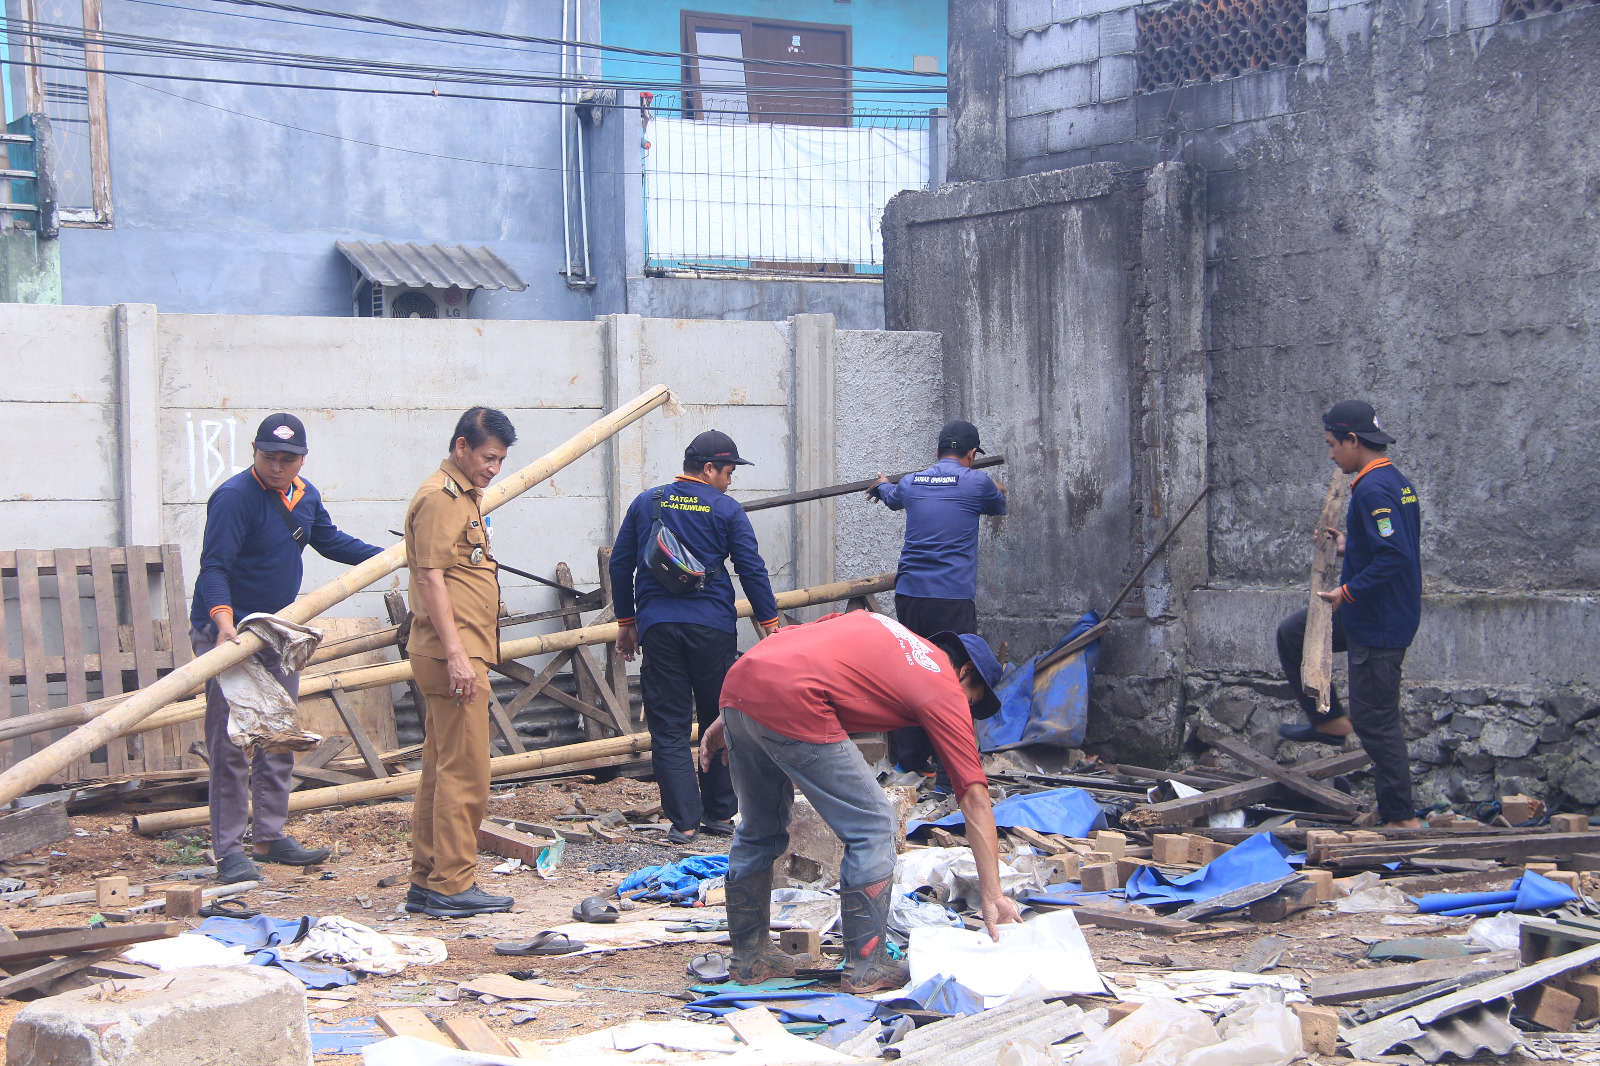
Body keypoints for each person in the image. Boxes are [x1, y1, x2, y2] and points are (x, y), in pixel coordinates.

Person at [699, 610, 1023, 991]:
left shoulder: (884, 627)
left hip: (740, 684)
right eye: (972, 699)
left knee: (759, 826)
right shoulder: (943, 683)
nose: (965, 709)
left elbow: (792, 644)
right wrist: (994, 893)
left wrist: (737, 714)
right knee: (873, 825)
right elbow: (974, 797)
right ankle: (867, 965)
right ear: (965, 671)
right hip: (793, 698)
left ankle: (750, 957)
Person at [190, 413, 384, 885]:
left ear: (301, 459)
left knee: (279, 734)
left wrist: (389, 556)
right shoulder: (235, 498)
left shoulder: (304, 494)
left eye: (287, 459)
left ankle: (270, 835)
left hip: (278, 631)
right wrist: (222, 623)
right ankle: (229, 850)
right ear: (255, 454)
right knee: (234, 741)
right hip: (231, 632)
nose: (277, 467)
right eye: (268, 457)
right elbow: (213, 567)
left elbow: (330, 540)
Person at [609, 430, 781, 846]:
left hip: (659, 628)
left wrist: (626, 622)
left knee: (667, 727)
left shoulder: (647, 503)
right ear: (708, 469)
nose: (730, 480)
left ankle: (684, 823)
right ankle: (721, 814)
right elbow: (751, 569)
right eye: (728, 471)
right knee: (719, 719)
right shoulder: (726, 509)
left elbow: (620, 565)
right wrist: (771, 627)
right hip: (713, 628)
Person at [1275, 400, 1422, 829]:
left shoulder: (1374, 489)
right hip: (1371, 613)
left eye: (1332, 444)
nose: (1330, 454)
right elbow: (1388, 543)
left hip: (1377, 621)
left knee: (1376, 721)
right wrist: (1349, 546)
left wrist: (1347, 590)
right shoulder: (1392, 481)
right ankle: (1330, 722)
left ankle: (1401, 818)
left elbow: (1395, 555)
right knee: (1293, 633)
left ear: (1353, 440)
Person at [403, 407, 519, 918]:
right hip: (454, 654)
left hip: (461, 650)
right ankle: (452, 883)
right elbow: (430, 579)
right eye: (488, 457)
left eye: (500, 460)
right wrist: (457, 656)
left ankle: (429, 878)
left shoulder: (463, 496)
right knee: (466, 770)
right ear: (461, 448)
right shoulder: (440, 498)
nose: (493, 468)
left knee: (439, 766)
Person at [867, 419, 1007, 773]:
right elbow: (998, 503)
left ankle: (910, 762)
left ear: (937, 452)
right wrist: (998, 488)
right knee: (954, 678)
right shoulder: (977, 482)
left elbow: (890, 496)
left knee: (913, 672)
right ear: (972, 454)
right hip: (951, 599)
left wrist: (882, 484)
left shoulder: (912, 482)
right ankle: (950, 771)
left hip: (911, 593)